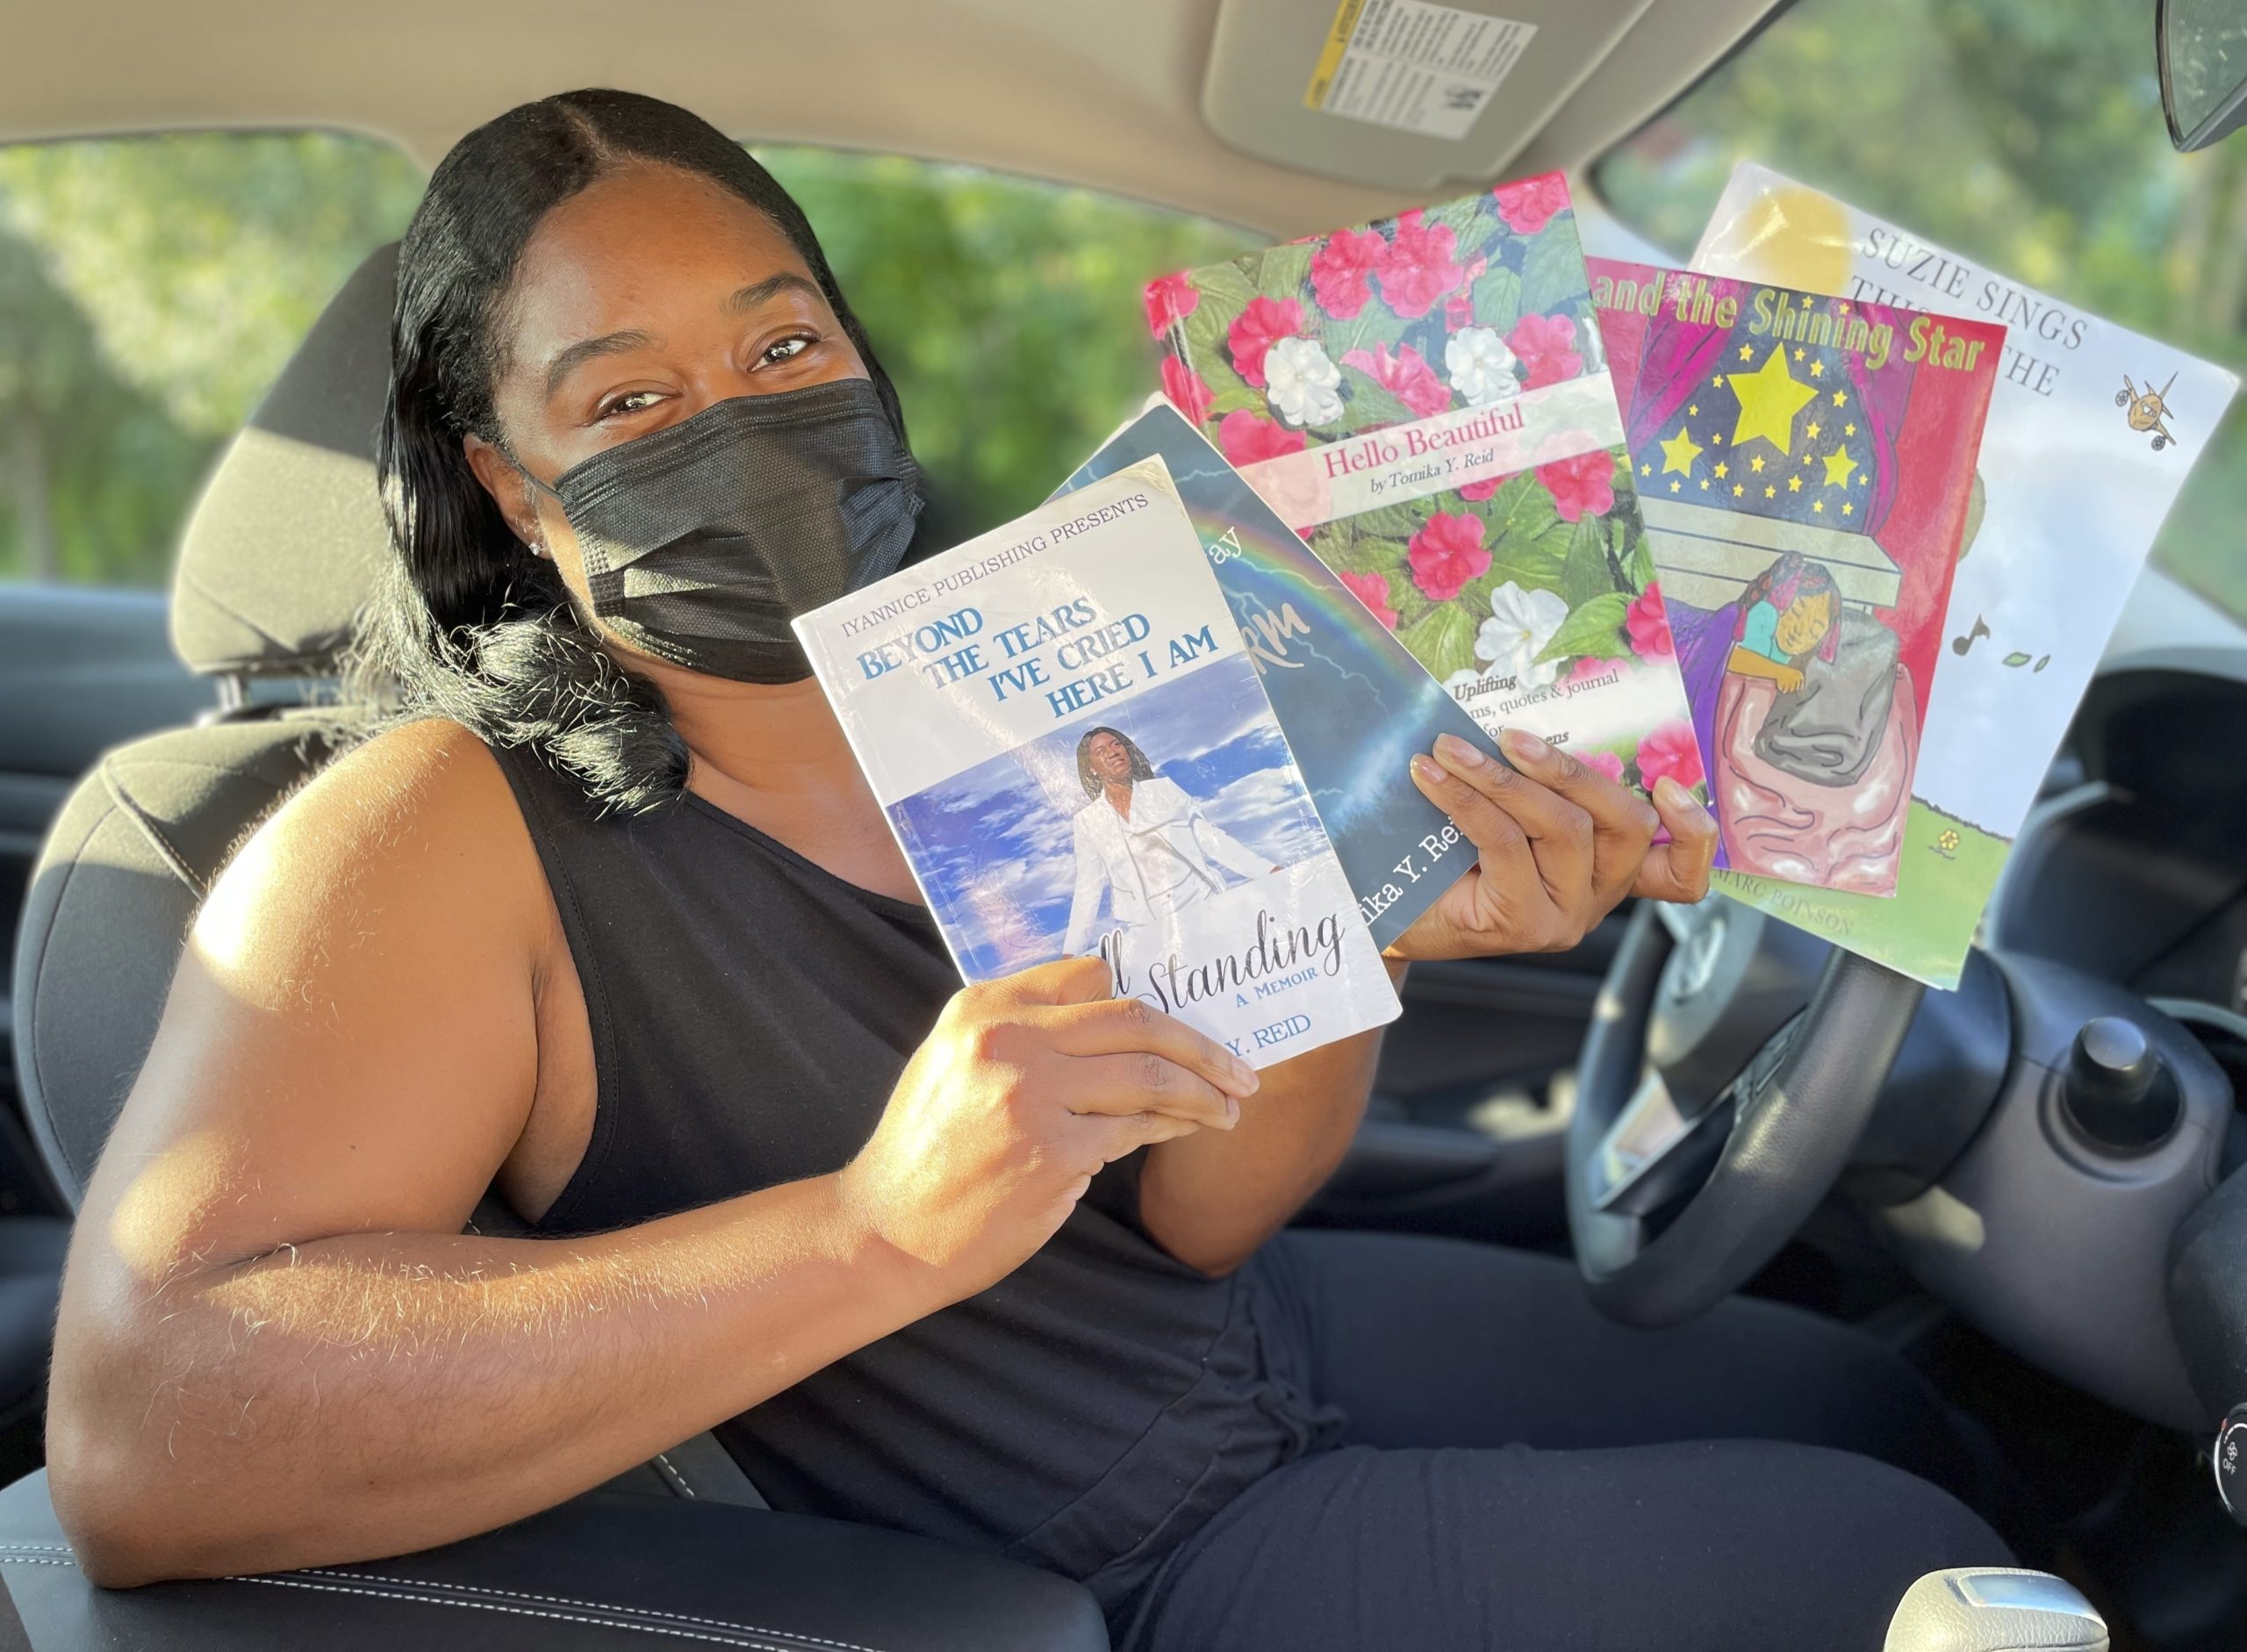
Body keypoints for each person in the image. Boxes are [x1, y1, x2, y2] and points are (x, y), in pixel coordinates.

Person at [45, 90, 2009, 1651]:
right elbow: (143, 1434)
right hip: (1110, 1562)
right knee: (1901, 1556)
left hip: (1235, 1351)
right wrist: (874, 1229)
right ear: (508, 482)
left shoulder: (1029, 660)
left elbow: (1206, 1216)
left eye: (783, 344)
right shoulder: (427, 828)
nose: (737, 430)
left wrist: (1360, 928)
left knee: (1877, 1405)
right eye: (626, 400)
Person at [1061, 725, 1279, 955]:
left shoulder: (1163, 790)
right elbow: (1088, 887)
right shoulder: (1088, 821)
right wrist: (1071, 952)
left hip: (1204, 906)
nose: (1113, 752)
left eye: (1116, 744)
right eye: (1101, 751)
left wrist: (1268, 870)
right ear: (1091, 768)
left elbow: (1211, 839)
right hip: (1150, 932)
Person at [1725, 552, 1843, 693]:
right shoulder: (1766, 613)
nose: (1799, 631)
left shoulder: (1791, 656)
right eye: (1796, 613)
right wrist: (1779, 673)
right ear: (1781, 600)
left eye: (1813, 630)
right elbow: (1733, 658)